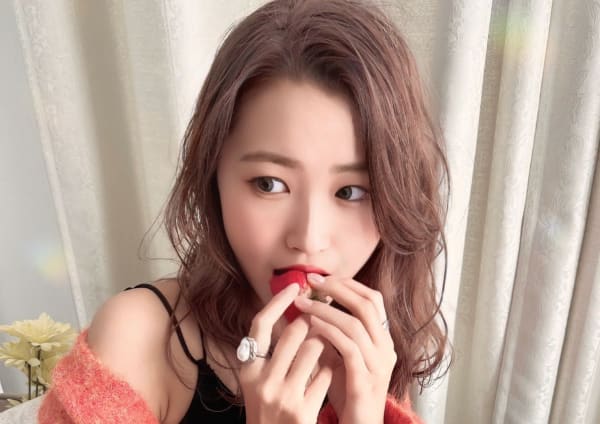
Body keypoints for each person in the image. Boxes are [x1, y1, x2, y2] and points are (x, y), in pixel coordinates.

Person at [39, 0, 452, 422]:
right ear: (213, 174)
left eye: (350, 191)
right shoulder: (138, 339)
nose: (308, 238)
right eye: (269, 184)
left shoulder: (368, 345)